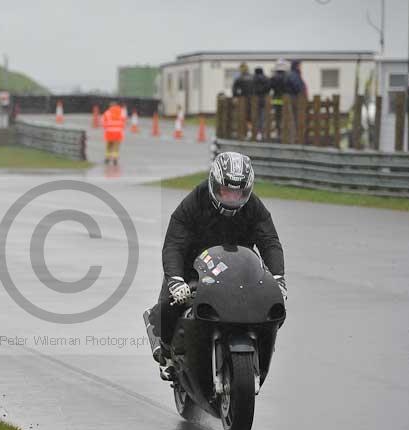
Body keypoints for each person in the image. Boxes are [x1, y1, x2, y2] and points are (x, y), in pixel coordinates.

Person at [148, 152, 286, 379]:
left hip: (240, 272)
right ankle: (168, 353)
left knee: (275, 306)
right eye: (226, 192)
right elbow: (174, 244)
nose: (232, 199)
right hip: (193, 270)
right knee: (167, 308)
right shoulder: (194, 202)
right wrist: (175, 280)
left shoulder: (253, 207)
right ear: (214, 184)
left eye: (238, 193)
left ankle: (261, 345)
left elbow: (270, 242)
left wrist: (279, 278)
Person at [269, 59, 289, 138]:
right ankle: (284, 132)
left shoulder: (273, 77)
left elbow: (270, 87)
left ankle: (278, 132)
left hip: (276, 99)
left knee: (277, 117)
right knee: (285, 117)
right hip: (286, 100)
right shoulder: (287, 77)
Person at [102, 101, 126, 165]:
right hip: (118, 132)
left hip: (109, 132)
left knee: (109, 146)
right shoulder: (122, 112)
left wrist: (106, 128)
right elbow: (124, 121)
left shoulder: (107, 113)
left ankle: (107, 158)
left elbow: (103, 122)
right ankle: (115, 159)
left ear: (110, 106)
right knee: (116, 147)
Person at [251, 67, 270, 138]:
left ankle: (256, 131)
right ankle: (262, 131)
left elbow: (251, 88)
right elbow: (268, 87)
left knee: (255, 116)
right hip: (264, 99)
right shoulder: (266, 78)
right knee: (263, 116)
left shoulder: (253, 78)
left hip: (255, 99)